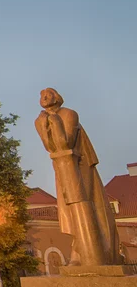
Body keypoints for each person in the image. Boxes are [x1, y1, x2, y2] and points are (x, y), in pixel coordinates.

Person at [35, 88, 120, 266]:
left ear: (57, 97)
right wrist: (43, 126)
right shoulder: (41, 120)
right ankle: (79, 250)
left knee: (86, 204)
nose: (44, 96)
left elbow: (66, 142)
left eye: (49, 93)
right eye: (42, 94)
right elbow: (50, 147)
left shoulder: (69, 114)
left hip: (80, 167)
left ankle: (95, 252)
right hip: (62, 167)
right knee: (68, 209)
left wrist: (54, 121)